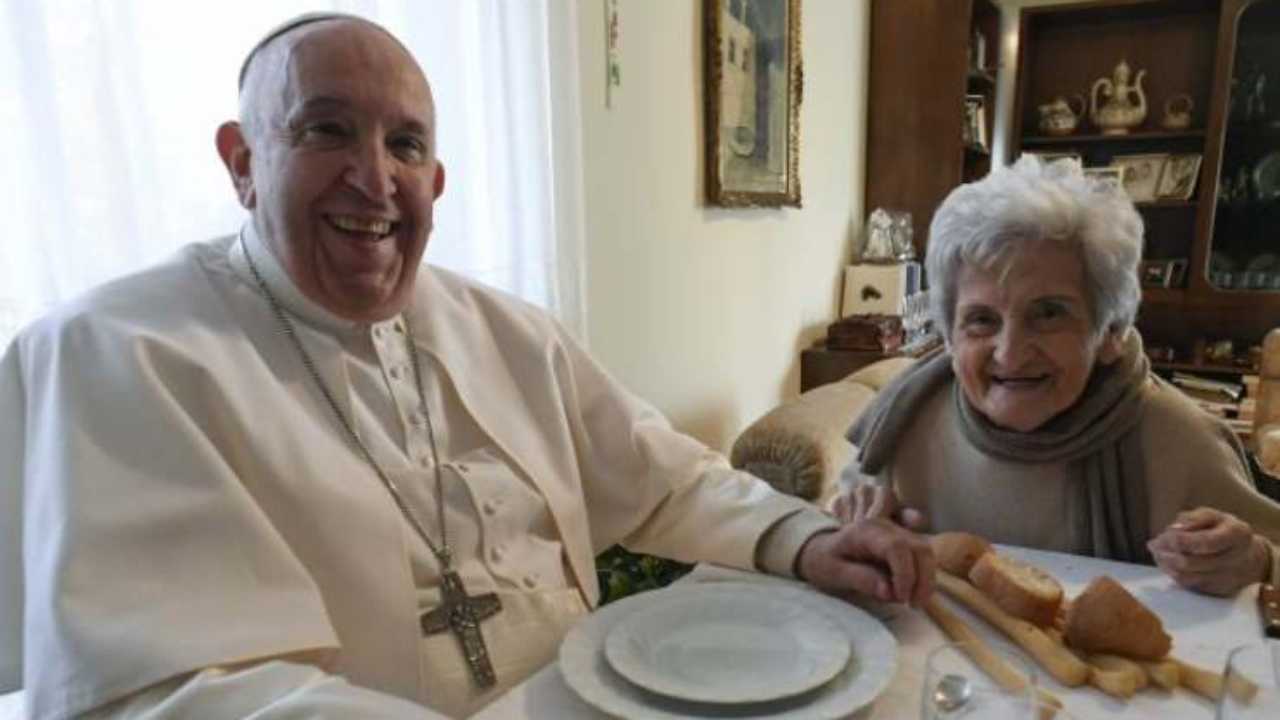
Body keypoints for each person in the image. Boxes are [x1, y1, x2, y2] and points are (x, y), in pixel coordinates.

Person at [0, 13, 933, 720]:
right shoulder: (116, 354)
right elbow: (170, 692)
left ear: (436, 184)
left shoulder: (505, 328)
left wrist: (803, 539)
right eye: (325, 131)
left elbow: (656, 471)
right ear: (242, 162)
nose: (376, 178)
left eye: (406, 144)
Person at [836, 156, 1280, 598]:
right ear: (950, 338)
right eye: (982, 319)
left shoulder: (1181, 440)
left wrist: (1259, 561)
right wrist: (858, 528)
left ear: (1109, 331)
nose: (1010, 353)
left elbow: (1270, 562)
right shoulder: (905, 420)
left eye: (1048, 313)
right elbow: (839, 529)